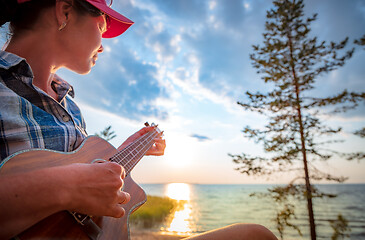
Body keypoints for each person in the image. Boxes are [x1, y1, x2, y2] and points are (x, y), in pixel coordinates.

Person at [0, 0, 277, 239]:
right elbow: (72, 184)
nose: (104, 46)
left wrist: (128, 151)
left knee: (255, 235)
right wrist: (67, 186)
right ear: (65, 12)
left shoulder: (69, 105)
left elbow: (79, 199)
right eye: (101, 28)